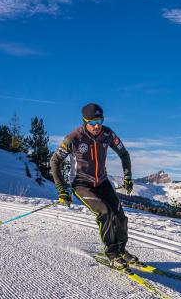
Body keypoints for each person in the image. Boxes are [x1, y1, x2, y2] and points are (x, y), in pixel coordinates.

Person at [50, 103, 136, 269]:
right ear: (84, 121)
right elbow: (55, 161)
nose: (97, 126)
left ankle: (121, 250)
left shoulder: (107, 134)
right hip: (82, 184)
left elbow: (124, 154)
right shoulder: (73, 138)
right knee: (105, 212)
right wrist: (61, 190)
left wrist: (128, 177)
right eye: (92, 123)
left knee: (120, 215)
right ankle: (112, 254)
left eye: (100, 121)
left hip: (102, 182)